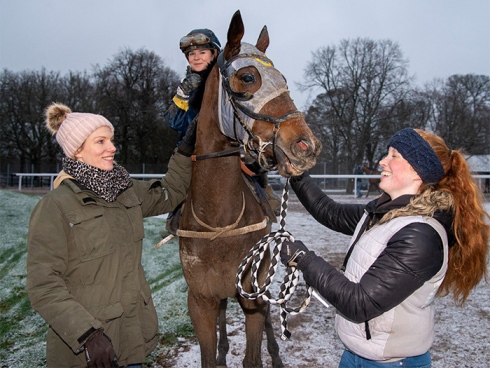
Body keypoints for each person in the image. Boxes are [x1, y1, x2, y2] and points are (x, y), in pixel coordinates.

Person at [280, 128, 489, 367]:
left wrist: (304, 260)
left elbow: (360, 302)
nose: (382, 161)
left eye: (394, 155)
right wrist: (296, 173)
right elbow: (331, 213)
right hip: (356, 355)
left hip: (391, 363)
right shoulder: (384, 212)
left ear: (418, 171)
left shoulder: (420, 234)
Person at [26, 102, 195, 367]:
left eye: (112, 140)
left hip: (132, 339)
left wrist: (185, 150)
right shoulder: (55, 206)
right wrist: (88, 334)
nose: (112, 147)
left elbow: (171, 193)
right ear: (77, 151)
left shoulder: (126, 191)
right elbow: (43, 286)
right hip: (87, 351)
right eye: (100, 141)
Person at [162, 28, 281, 236]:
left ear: (214, 54)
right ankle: (177, 210)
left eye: (202, 53)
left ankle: (264, 195)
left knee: (252, 163)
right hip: (194, 148)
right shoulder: (187, 85)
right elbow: (174, 122)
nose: (196, 57)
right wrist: (183, 93)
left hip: (226, 145)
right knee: (181, 176)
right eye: (191, 54)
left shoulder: (226, 79)